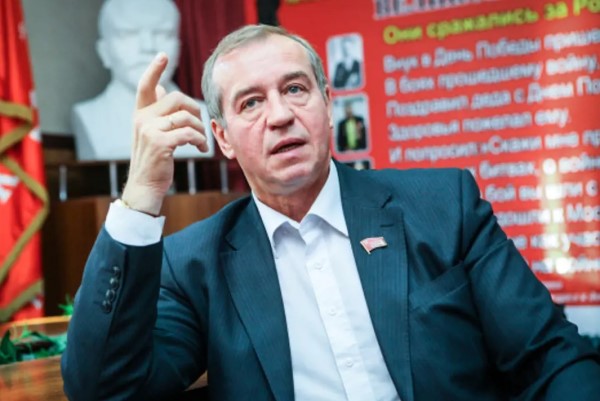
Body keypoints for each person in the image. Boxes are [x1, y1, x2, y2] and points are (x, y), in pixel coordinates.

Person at [62, 24, 600, 401]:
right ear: (222, 138)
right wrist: (141, 194)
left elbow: (550, 358)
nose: (280, 115)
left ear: (326, 101)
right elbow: (103, 389)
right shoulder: (195, 265)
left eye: (295, 89)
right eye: (251, 102)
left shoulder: (444, 205)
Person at [71, 0, 212, 161]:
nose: (147, 46)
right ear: (104, 51)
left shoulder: (201, 113)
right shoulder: (89, 116)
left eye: (163, 33)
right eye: (128, 33)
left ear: (178, 48)